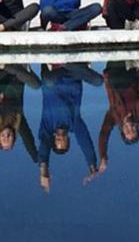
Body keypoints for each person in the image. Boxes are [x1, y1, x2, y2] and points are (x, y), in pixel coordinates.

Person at [37, 62, 104, 192]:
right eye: (64, 142)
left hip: (53, 76)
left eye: (58, 142)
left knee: (48, 81)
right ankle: (69, 64)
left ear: (54, 139)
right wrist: (92, 166)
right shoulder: (74, 123)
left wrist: (43, 170)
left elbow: (44, 145)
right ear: (68, 139)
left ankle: (64, 64)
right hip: (73, 75)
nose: (61, 139)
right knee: (98, 81)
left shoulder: (48, 125)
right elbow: (85, 141)